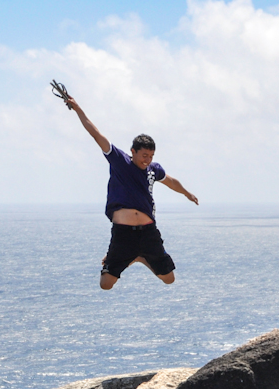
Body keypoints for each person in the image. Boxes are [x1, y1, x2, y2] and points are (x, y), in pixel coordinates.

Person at [65, 95, 199, 290]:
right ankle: (133, 256)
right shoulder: (120, 161)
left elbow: (170, 181)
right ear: (133, 151)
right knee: (106, 284)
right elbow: (96, 135)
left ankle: (140, 257)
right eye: (144, 155)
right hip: (123, 233)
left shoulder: (153, 169)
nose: (147, 160)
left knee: (169, 279)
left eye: (151, 156)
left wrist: (187, 193)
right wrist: (78, 109)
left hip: (148, 232)